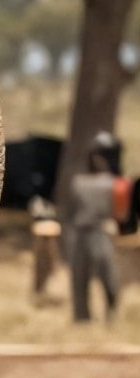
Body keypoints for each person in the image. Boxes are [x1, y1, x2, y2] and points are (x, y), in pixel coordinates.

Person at [67, 138, 122, 324]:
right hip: (81, 231)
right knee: (79, 276)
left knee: (108, 275)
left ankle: (112, 313)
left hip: (101, 231)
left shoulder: (113, 182)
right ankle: (82, 319)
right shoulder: (79, 182)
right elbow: (70, 211)